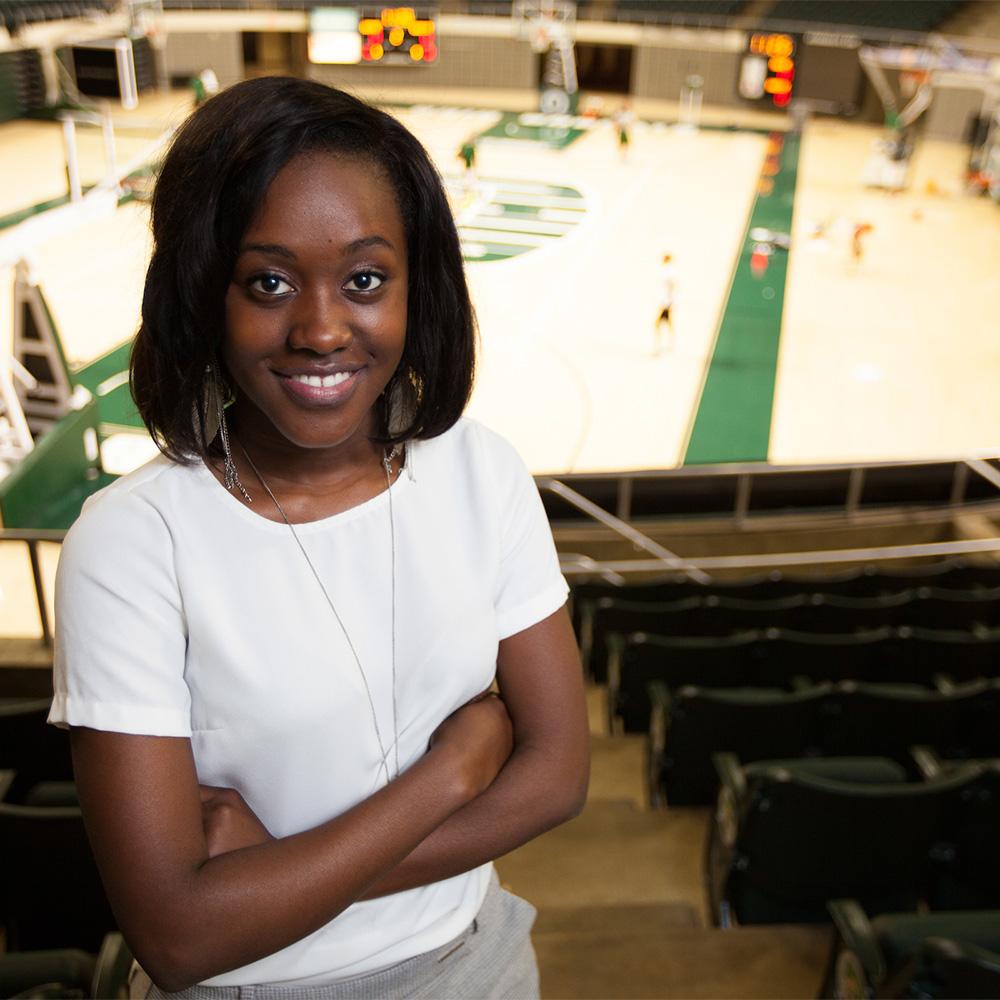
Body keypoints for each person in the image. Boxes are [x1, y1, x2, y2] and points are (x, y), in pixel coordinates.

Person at [49, 76, 589, 999]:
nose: (322, 328)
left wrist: (267, 881)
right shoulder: (129, 546)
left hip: (480, 958)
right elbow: (178, 937)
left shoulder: (477, 469)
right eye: (268, 282)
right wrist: (453, 773)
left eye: (366, 279)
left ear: (419, 286)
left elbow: (558, 776)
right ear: (201, 292)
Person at [654, 253, 676, 354]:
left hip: (666, 303)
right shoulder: (668, 272)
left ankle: (662, 345)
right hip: (666, 302)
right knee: (667, 323)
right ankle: (669, 344)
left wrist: (669, 303)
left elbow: (670, 287)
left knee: (659, 324)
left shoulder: (668, 272)